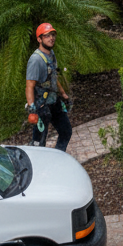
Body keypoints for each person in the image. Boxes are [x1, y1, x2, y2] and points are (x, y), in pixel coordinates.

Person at [25, 22, 73, 152]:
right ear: (39, 39)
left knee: (66, 131)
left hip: (54, 102)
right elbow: (29, 86)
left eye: (52, 35)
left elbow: (53, 77)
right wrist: (32, 109)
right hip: (41, 107)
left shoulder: (51, 54)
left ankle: (57, 158)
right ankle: (38, 162)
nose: (51, 38)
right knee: (39, 143)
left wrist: (63, 94)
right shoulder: (36, 60)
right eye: (47, 36)